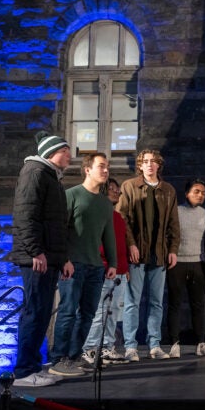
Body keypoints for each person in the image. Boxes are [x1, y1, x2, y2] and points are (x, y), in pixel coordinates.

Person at [8, 131, 74, 388]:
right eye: (63, 151)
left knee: (42, 312)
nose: (69, 155)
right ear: (49, 153)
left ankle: (34, 365)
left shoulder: (51, 177)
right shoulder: (34, 173)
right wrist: (36, 251)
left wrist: (63, 259)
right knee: (34, 312)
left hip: (48, 257)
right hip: (36, 258)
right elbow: (26, 216)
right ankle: (24, 371)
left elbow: (57, 225)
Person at [49, 152, 118, 377]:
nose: (106, 171)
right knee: (68, 311)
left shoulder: (105, 204)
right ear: (87, 169)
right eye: (101, 166)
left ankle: (75, 355)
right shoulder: (71, 195)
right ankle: (59, 358)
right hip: (73, 264)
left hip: (95, 266)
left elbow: (108, 235)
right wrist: (64, 259)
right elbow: (59, 230)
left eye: (107, 167)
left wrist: (112, 262)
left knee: (87, 314)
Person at [117, 149, 180, 361]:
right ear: (140, 165)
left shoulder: (168, 190)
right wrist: (131, 245)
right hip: (137, 254)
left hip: (159, 254)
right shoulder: (130, 186)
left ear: (159, 165)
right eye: (146, 161)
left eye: (154, 161)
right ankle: (131, 347)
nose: (150, 165)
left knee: (156, 302)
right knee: (132, 301)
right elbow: (121, 219)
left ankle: (155, 345)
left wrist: (172, 250)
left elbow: (173, 223)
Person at [82, 178, 130, 366]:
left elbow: (120, 245)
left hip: (118, 272)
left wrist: (124, 268)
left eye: (117, 189)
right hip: (102, 270)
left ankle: (106, 347)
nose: (116, 192)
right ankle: (90, 348)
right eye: (111, 189)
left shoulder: (118, 218)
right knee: (99, 312)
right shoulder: (96, 215)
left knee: (113, 311)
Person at [170, 179, 205, 358]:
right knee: (174, 304)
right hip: (177, 263)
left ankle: (201, 343)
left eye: (203, 192)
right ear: (187, 193)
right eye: (196, 191)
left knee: (198, 305)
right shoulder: (176, 212)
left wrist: (204, 256)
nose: (200, 195)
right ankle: (174, 344)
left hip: (197, 262)